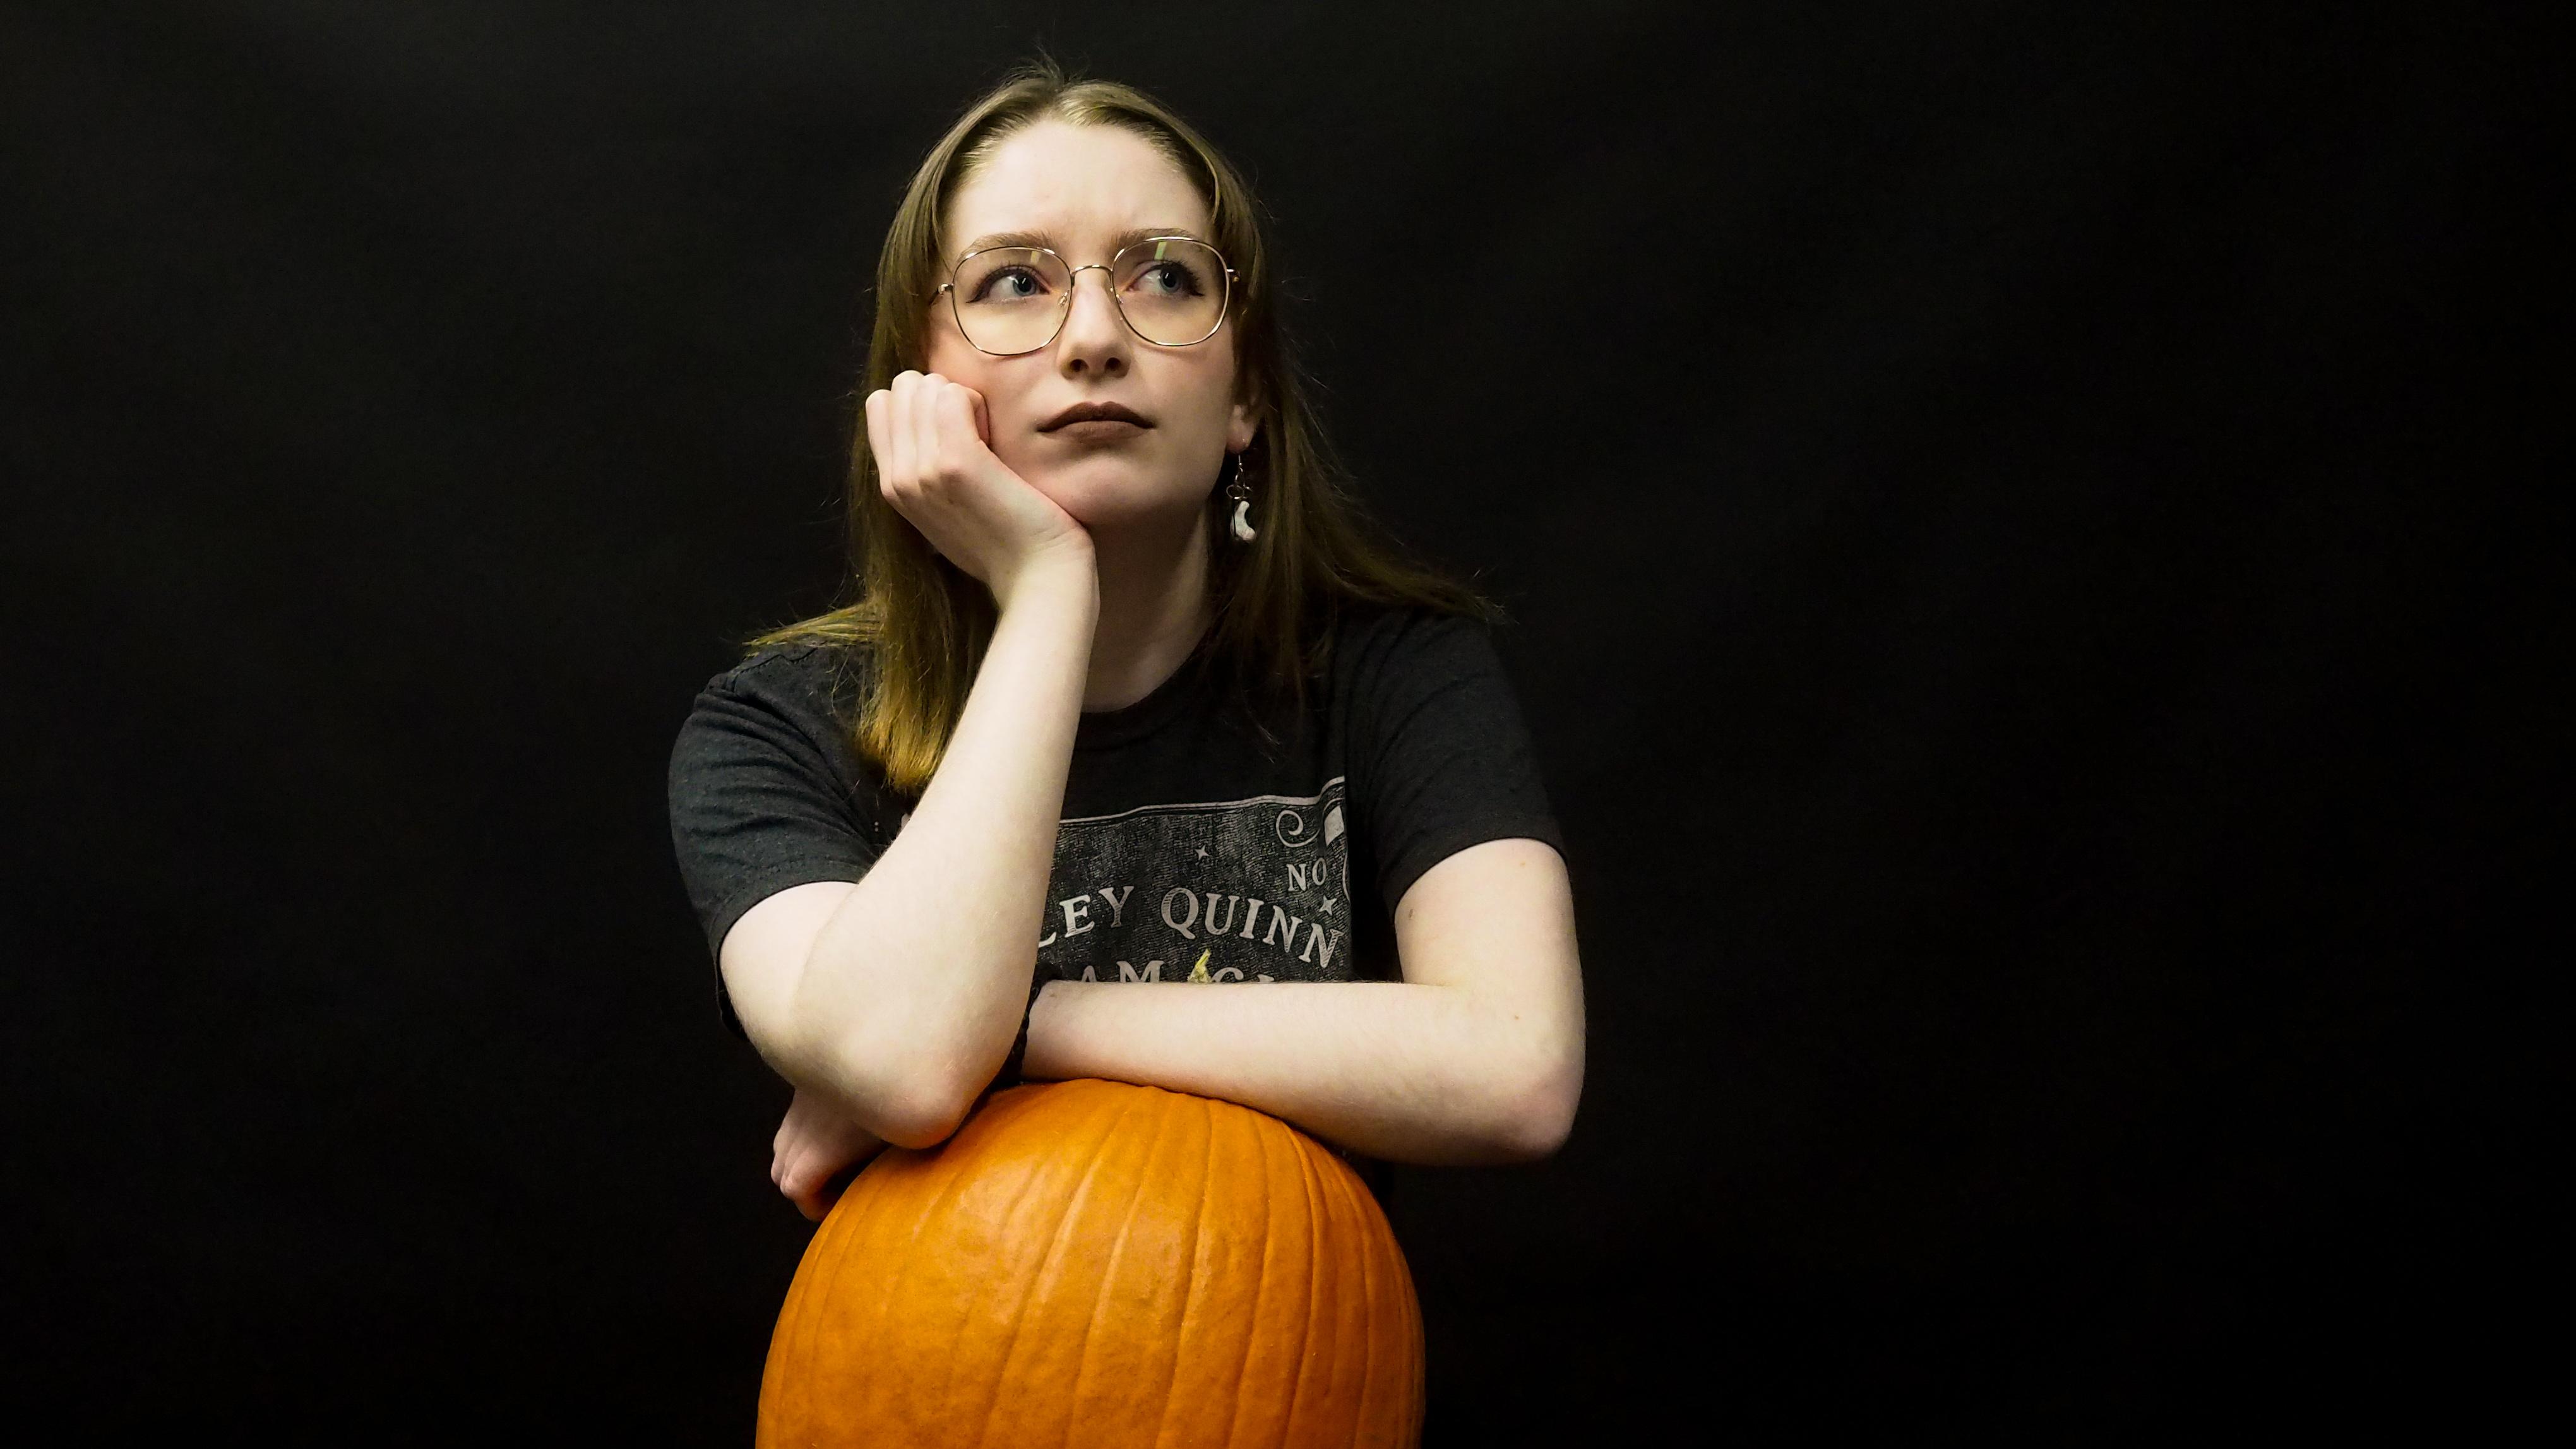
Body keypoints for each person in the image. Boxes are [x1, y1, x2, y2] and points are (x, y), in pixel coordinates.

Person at [666, 63, 1584, 1222]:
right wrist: (1051, 586)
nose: (1095, 337)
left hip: (1288, 1325)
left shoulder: (1393, 673)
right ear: (919, 382)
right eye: (1013, 281)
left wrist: (1024, 1025)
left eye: (1165, 276)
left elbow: (1517, 1072)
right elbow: (902, 1063)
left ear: (1245, 395)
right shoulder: (776, 726)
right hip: (940, 1335)